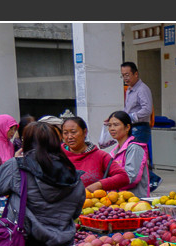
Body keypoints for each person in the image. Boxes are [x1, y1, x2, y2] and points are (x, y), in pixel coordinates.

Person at [0, 120, 86, 246]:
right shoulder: (71, 172)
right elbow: (76, 212)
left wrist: (15, 160)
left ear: (26, 142)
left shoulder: (17, 166)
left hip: (24, 244)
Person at [60, 116, 130, 193]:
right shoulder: (57, 156)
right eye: (65, 133)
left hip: (93, 203)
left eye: (73, 132)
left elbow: (123, 177)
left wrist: (99, 185)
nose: (69, 137)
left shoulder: (100, 156)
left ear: (85, 132)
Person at [121, 61, 160, 191]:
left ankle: (153, 179)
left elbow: (147, 110)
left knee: (136, 156)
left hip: (140, 127)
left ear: (136, 74)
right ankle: (144, 181)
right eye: (123, 75)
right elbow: (128, 110)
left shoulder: (142, 89)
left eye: (127, 75)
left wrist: (130, 117)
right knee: (130, 156)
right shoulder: (130, 90)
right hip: (132, 127)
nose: (125, 78)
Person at [104, 110, 150, 200]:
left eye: (116, 125)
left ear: (127, 127)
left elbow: (131, 177)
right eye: (109, 125)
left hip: (135, 201)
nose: (112, 128)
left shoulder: (135, 148)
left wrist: (106, 183)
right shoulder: (114, 152)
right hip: (118, 200)